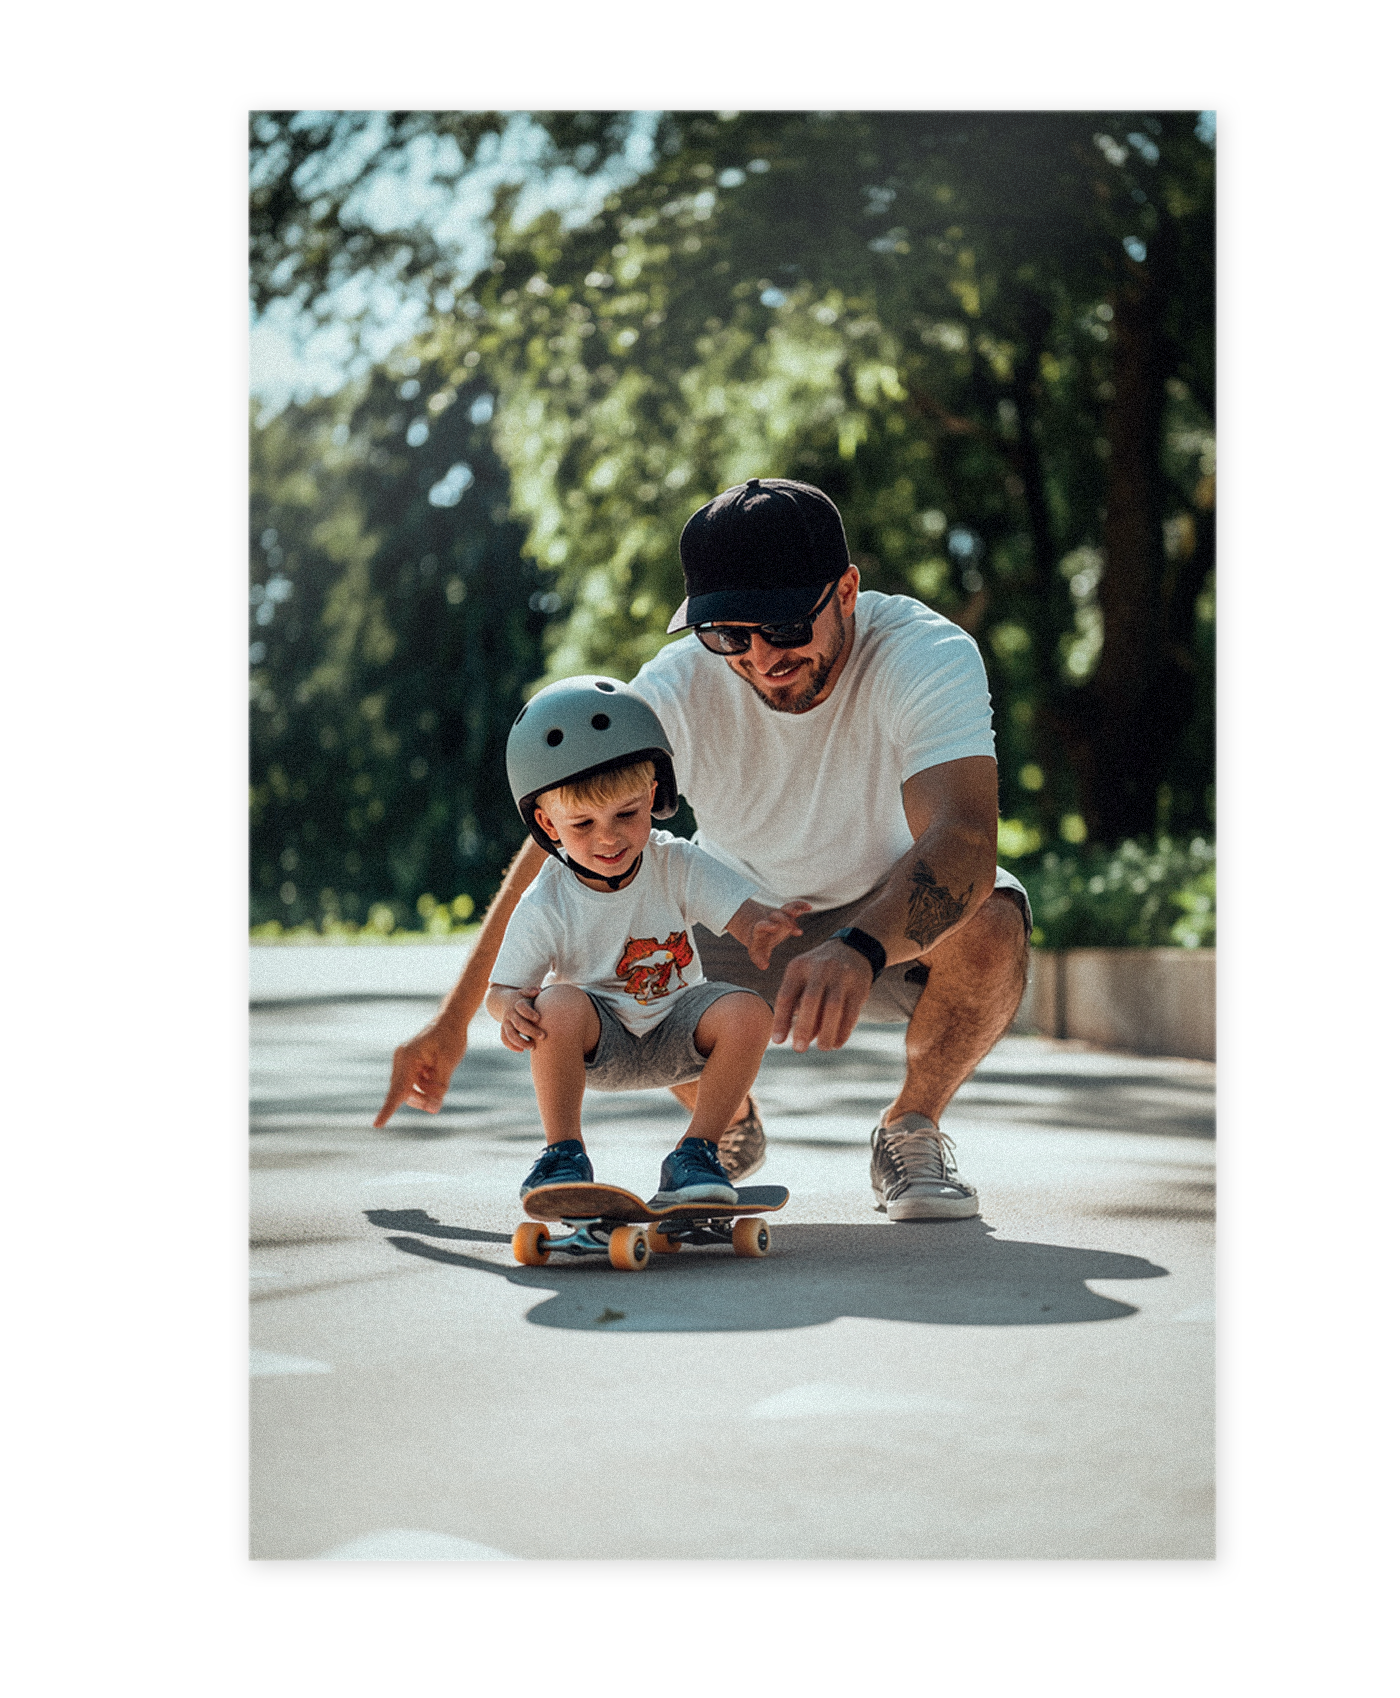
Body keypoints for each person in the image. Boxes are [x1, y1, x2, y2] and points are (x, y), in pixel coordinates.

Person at [376, 477, 1031, 1223]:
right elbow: (557, 851)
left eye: (785, 625)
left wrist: (859, 946)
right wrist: (453, 1021)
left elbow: (964, 837)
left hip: (889, 920)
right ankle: (724, 1126)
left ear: (846, 591)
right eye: (728, 635)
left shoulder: (923, 654)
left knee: (993, 919)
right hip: (733, 919)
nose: (761, 656)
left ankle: (910, 1127)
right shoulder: (676, 689)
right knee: (594, 934)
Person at [487, 675, 812, 1210]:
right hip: (601, 1041)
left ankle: (697, 1153)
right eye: (582, 823)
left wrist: (760, 928)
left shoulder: (674, 862)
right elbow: (500, 990)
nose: (608, 837)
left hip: (678, 1029)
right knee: (556, 1002)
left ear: (654, 796)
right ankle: (563, 1155)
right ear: (547, 823)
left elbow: (740, 913)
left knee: (749, 1012)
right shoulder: (548, 899)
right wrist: (510, 1010)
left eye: (626, 813)